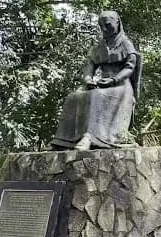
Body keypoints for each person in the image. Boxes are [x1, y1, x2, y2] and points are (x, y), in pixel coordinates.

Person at [51, 10, 141, 150]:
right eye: (102, 26)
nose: (104, 29)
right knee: (73, 97)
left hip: (121, 86)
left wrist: (114, 80)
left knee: (97, 96)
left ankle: (90, 137)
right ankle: (64, 141)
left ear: (117, 23)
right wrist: (88, 79)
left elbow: (130, 68)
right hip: (103, 84)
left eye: (108, 25)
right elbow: (90, 66)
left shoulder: (126, 44)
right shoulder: (100, 46)